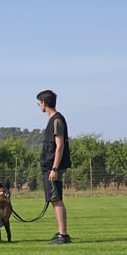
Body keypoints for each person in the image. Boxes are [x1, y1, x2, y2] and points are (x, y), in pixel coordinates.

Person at [37, 90, 72, 245]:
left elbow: (60, 146)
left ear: (44, 103)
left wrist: (54, 168)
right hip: (49, 167)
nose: (39, 105)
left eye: (39, 103)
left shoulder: (57, 120)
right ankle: (60, 232)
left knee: (56, 199)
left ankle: (63, 235)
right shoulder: (53, 120)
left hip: (53, 168)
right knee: (53, 199)